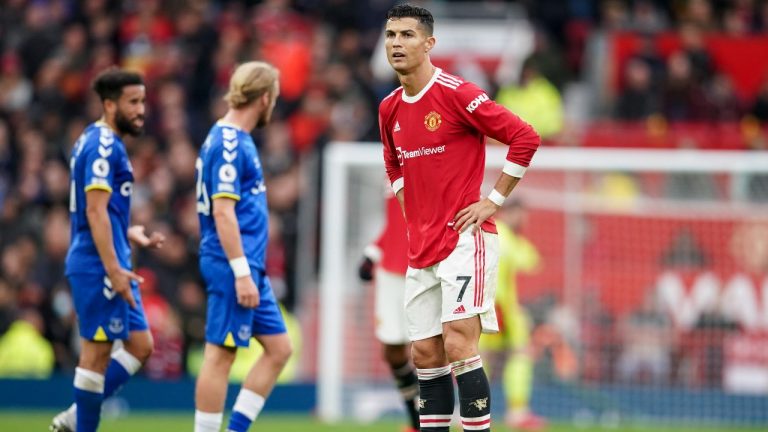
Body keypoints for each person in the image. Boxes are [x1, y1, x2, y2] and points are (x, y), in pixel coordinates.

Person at [379, 5, 541, 432]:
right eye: (391, 35)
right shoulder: (389, 107)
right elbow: (393, 162)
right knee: (425, 354)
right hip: (422, 246)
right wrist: (407, 203)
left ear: (429, 43)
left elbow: (524, 137)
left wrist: (493, 200)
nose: (397, 43)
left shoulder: (457, 93)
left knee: (457, 343)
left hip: (464, 240)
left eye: (407, 35)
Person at [50, 68, 166, 432]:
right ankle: (81, 425)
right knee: (97, 353)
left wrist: (128, 233)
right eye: (133, 102)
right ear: (110, 104)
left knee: (140, 345)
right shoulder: (103, 145)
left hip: (111, 256)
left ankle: (74, 417)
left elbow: (101, 212)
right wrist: (113, 268)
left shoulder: (98, 139)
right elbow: (94, 211)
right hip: (98, 263)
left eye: (143, 101)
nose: (141, 110)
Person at [193, 61, 292, 432]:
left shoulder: (232, 138)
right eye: (274, 99)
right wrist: (240, 272)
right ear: (264, 98)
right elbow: (222, 211)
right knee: (221, 354)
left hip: (247, 264)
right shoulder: (230, 142)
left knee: (279, 349)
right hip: (232, 263)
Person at [479, 199, 547, 430]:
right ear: (507, 213)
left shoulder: (509, 238)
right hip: (499, 308)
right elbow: (528, 264)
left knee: (484, 357)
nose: (523, 219)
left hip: (499, 308)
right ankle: (515, 412)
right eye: (519, 213)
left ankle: (473, 408)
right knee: (516, 354)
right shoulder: (501, 235)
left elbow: (533, 262)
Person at [358, 188, 419, 432]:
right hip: (390, 272)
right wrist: (372, 253)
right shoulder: (391, 169)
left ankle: (439, 417)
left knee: (429, 349)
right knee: (392, 351)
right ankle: (416, 420)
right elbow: (396, 222)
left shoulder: (429, 164)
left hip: (423, 266)